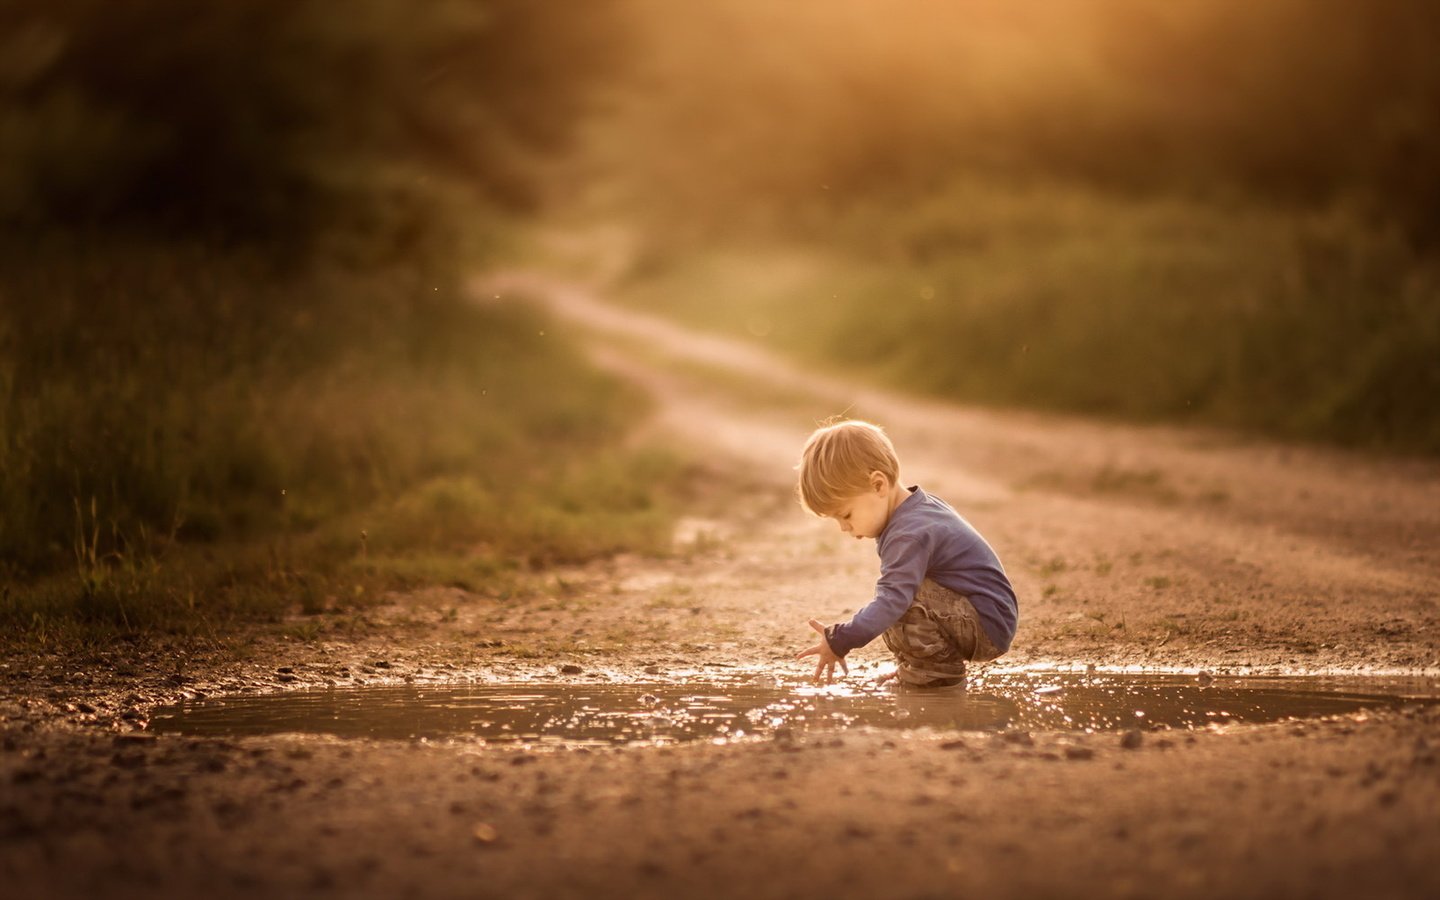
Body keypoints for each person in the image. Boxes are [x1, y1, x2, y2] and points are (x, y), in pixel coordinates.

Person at [794, 419, 1018, 686]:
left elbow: (893, 601)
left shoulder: (909, 532)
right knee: (893, 596)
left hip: (985, 624)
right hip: (983, 615)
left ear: (878, 485)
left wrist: (840, 639)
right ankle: (918, 667)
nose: (844, 528)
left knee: (894, 601)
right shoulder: (914, 510)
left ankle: (935, 676)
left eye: (846, 515)